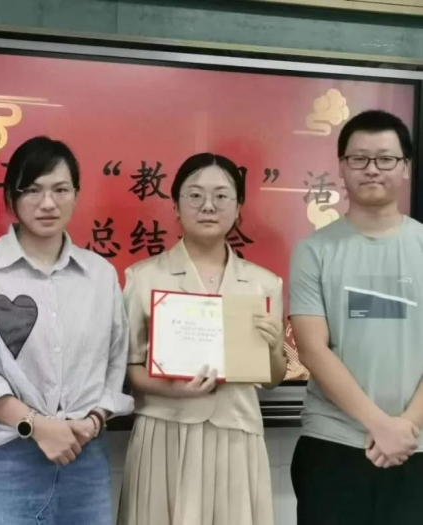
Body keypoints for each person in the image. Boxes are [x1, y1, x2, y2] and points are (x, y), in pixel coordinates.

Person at [0, 136, 134, 525]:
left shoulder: (99, 275)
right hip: (5, 457)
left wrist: (94, 421)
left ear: (76, 194)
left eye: (60, 190)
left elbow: (115, 363)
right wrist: (38, 427)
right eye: (32, 190)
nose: (48, 203)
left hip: (85, 455)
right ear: (10, 198)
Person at [117, 153, 288, 525]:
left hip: (236, 433)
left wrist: (275, 347)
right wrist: (174, 390)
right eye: (194, 195)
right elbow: (128, 368)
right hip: (165, 430)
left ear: (238, 208)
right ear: (176, 205)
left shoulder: (264, 284)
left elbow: (272, 378)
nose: (208, 206)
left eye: (221, 196)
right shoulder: (143, 278)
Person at [289, 109, 423, 524]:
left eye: (385, 158)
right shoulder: (313, 251)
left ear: (405, 167)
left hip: (415, 444)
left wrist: (405, 426)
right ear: (342, 167)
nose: (372, 169)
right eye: (359, 158)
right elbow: (312, 349)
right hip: (333, 444)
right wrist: (379, 424)